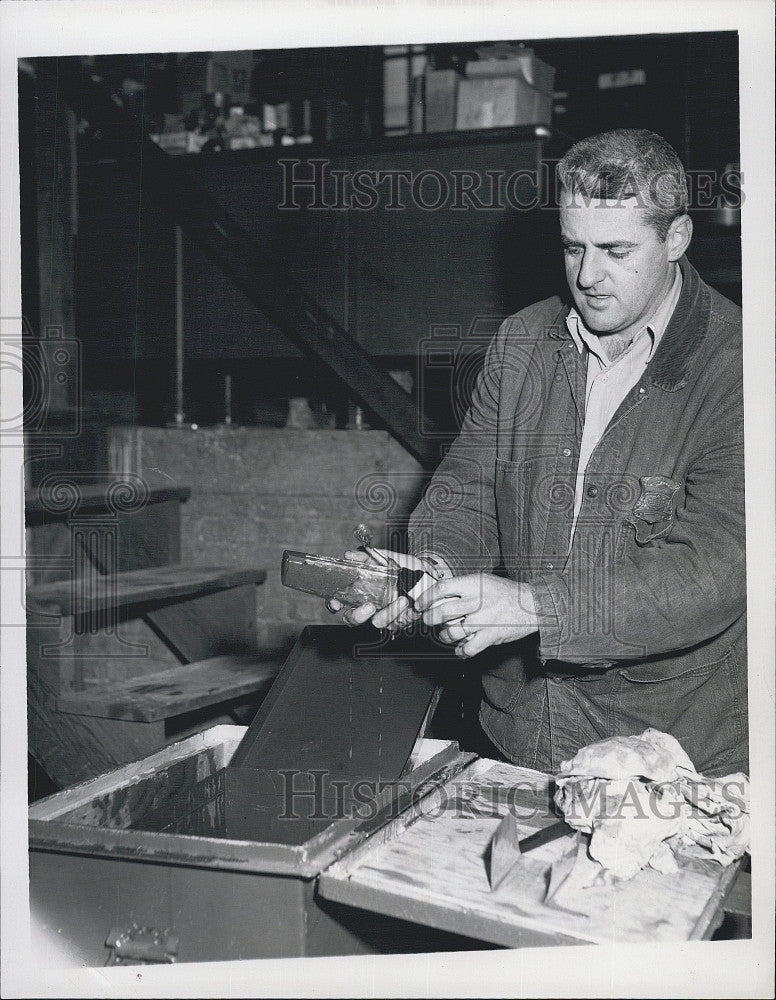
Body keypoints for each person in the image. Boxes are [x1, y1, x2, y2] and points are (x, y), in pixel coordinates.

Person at [329, 128, 747, 779]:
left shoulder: (739, 364)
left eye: (615, 250)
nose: (587, 275)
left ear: (677, 238)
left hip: (666, 754)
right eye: (573, 247)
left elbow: (715, 573)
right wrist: (433, 571)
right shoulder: (523, 341)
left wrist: (532, 609)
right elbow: (469, 488)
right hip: (518, 734)